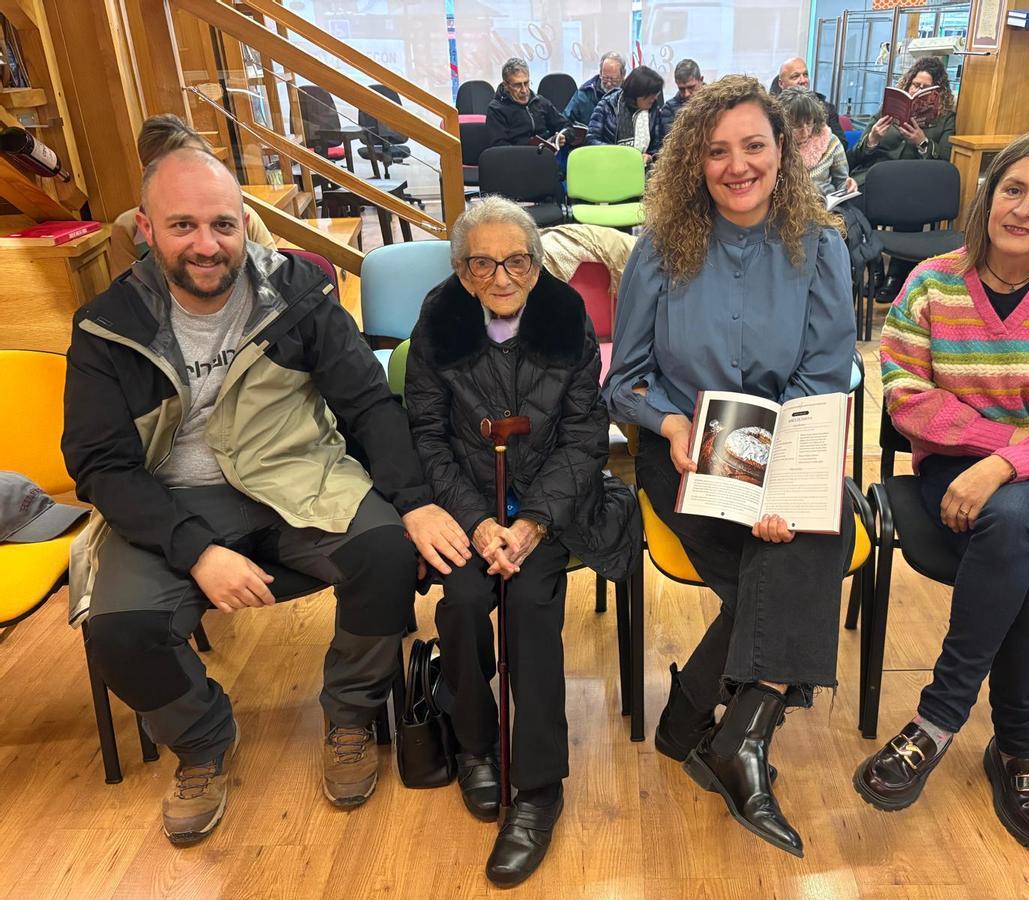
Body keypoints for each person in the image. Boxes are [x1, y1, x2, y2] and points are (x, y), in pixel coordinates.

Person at [64, 147, 470, 845]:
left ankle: (350, 715)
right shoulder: (107, 325)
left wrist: (414, 500)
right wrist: (196, 551)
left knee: (386, 554)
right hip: (169, 501)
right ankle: (201, 742)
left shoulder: (298, 296)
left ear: (244, 224)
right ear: (146, 229)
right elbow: (100, 464)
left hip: (295, 478)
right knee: (116, 627)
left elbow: (368, 403)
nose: (206, 245)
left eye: (222, 224)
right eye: (183, 225)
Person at [856, 125, 1029, 856]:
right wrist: (1002, 452)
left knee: (1013, 519)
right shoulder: (932, 283)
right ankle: (1016, 745)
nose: (1024, 208)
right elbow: (907, 397)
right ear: (988, 195)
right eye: (1013, 189)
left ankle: (937, 719)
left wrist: (1008, 465)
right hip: (954, 469)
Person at [603, 75, 856, 858]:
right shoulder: (658, 248)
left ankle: (728, 734)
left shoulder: (822, 248)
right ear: (694, 161)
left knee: (822, 529)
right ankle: (711, 731)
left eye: (753, 145)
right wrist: (670, 419)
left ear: (784, 151)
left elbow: (825, 374)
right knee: (778, 581)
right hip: (686, 454)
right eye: (717, 151)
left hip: (784, 442)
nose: (737, 165)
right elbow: (623, 380)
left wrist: (780, 471)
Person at [405, 197, 639, 887]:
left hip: (549, 510)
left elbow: (585, 437)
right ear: (462, 270)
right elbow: (426, 435)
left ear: (538, 264)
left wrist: (532, 522)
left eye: (516, 261)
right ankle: (475, 744)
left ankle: (538, 788)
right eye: (483, 264)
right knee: (462, 602)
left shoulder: (565, 316)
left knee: (532, 609)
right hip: (468, 507)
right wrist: (478, 521)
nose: (502, 277)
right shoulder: (440, 319)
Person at [849, 56, 958, 301]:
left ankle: (896, 275)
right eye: (915, 85)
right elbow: (854, 156)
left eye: (925, 88)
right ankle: (874, 266)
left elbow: (946, 160)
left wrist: (922, 142)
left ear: (937, 93)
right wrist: (873, 139)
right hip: (875, 177)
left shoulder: (945, 119)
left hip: (913, 184)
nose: (917, 91)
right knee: (853, 204)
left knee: (909, 202)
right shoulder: (886, 112)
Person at [110, 114, 276, 274]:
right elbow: (128, 288)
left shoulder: (241, 215)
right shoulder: (128, 228)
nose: (207, 247)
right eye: (182, 225)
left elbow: (275, 276)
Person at [779, 86, 855, 196]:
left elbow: (841, 182)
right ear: (783, 124)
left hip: (825, 203)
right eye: (797, 126)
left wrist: (847, 186)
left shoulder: (830, 142)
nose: (805, 132)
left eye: (809, 123)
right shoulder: (775, 146)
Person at [586, 65, 667, 164]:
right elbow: (592, 140)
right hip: (609, 164)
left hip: (643, 167)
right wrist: (620, 154)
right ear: (637, 93)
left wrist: (650, 156)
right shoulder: (607, 106)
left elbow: (659, 146)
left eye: (655, 94)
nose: (654, 98)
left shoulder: (653, 110)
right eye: (651, 95)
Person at [484, 57, 571, 150]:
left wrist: (563, 136)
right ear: (506, 85)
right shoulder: (496, 109)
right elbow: (499, 148)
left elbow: (566, 126)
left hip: (545, 154)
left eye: (526, 83)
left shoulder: (540, 102)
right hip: (515, 156)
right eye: (517, 85)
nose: (524, 90)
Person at [772, 56, 846, 148]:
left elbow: (841, 144)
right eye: (795, 76)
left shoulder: (827, 109)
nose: (803, 80)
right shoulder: (772, 111)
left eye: (805, 75)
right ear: (781, 83)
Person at [563, 50, 626, 125]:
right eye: (605, 78)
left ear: (623, 76)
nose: (609, 83)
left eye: (614, 79)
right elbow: (565, 122)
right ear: (600, 73)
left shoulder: (629, 94)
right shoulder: (585, 94)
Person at [659, 58, 704, 135]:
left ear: (701, 80)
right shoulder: (669, 108)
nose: (686, 94)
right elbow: (673, 139)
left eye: (691, 87)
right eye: (681, 89)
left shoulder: (715, 100)